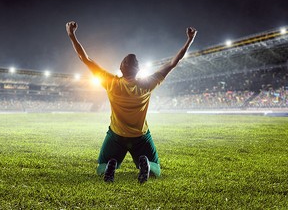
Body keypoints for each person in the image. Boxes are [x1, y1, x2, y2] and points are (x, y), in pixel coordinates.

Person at [66, 21, 197, 183]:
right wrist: (189, 40)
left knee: (101, 167)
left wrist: (72, 35)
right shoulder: (147, 84)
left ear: (121, 68)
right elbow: (172, 64)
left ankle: (111, 164)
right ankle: (146, 163)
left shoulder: (111, 82)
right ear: (139, 69)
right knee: (156, 168)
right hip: (140, 136)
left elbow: (85, 59)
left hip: (116, 135)